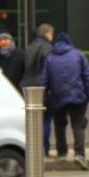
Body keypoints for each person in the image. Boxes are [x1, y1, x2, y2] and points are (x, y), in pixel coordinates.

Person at [41, 32, 89, 170]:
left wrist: (45, 98)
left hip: (57, 96)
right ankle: (80, 154)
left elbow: (44, 81)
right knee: (78, 125)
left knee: (59, 125)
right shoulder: (78, 55)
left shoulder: (50, 58)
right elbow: (87, 76)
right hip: (77, 95)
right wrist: (88, 95)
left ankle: (62, 152)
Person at [21, 23, 54, 156]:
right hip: (41, 88)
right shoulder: (47, 47)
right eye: (52, 33)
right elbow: (49, 67)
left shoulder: (29, 47)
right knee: (46, 119)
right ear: (47, 33)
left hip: (27, 86)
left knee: (32, 121)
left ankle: (33, 149)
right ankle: (44, 149)